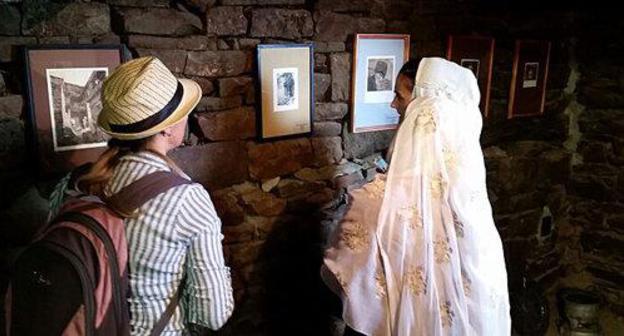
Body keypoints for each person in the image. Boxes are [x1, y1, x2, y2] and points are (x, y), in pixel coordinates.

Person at [322, 57, 511, 335]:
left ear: (421, 113)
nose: (393, 104)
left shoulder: (374, 200)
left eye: (399, 96)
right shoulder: (472, 205)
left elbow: (343, 273)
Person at [49, 56, 234, 335]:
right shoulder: (187, 200)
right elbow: (213, 314)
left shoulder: (74, 183)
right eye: (182, 112)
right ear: (167, 127)